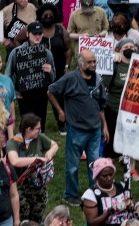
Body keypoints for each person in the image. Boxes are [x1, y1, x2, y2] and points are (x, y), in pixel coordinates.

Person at [48, 50, 108, 203]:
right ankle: (71, 195)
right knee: (73, 165)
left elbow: (101, 106)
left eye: (94, 61)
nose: (93, 65)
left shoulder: (98, 80)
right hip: (76, 129)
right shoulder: (70, 78)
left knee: (94, 164)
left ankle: (94, 193)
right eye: (89, 62)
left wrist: (104, 127)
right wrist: (60, 111)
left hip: (94, 129)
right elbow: (51, 91)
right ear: (81, 64)